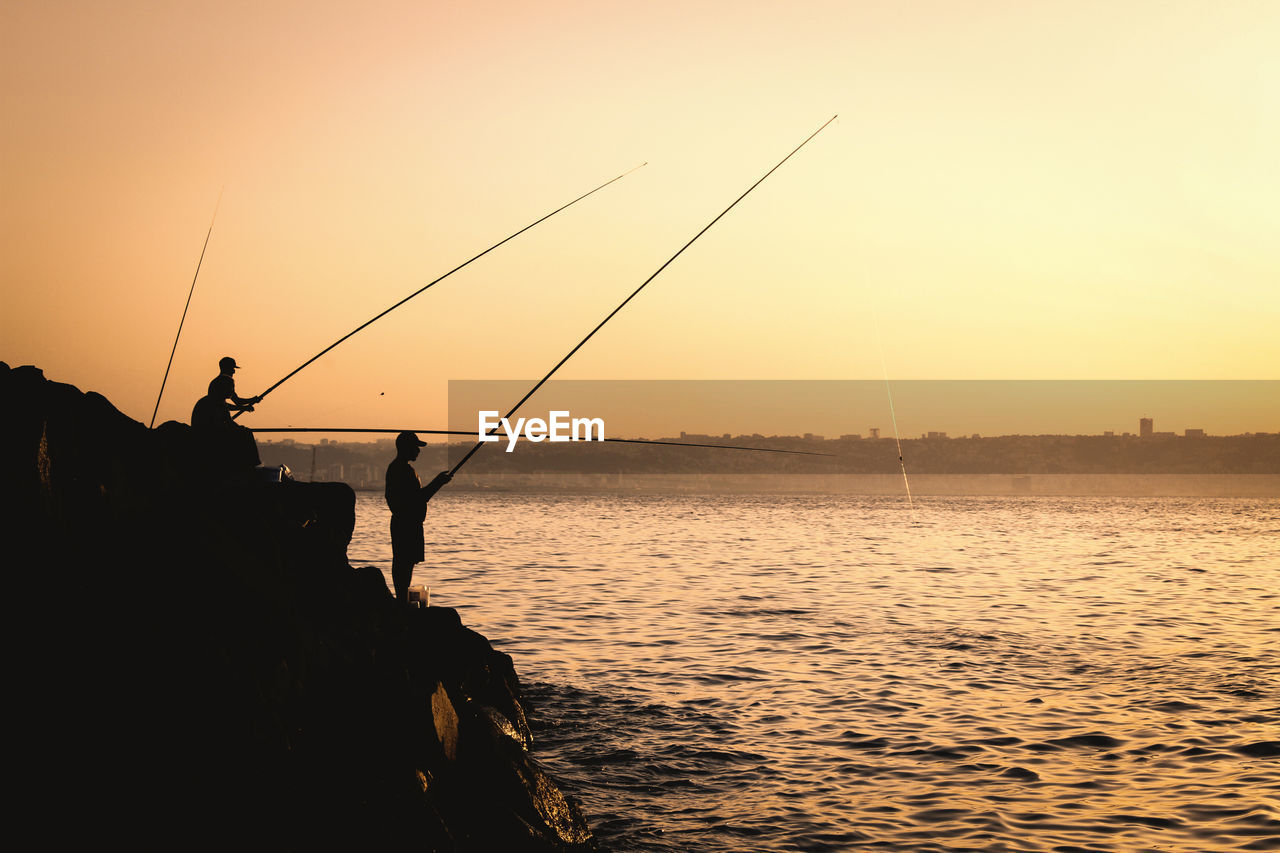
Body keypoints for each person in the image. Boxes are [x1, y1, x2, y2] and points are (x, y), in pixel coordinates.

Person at [385, 432, 451, 605]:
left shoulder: (399, 468)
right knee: (404, 563)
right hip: (406, 524)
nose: (418, 451)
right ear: (406, 448)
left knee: (406, 562)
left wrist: (438, 482)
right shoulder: (402, 470)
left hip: (407, 523)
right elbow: (418, 498)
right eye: (415, 447)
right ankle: (401, 600)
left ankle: (402, 598)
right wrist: (438, 482)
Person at [191, 374, 261, 469]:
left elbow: (229, 420)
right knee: (244, 434)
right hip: (208, 437)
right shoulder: (212, 403)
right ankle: (250, 465)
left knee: (244, 432)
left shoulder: (218, 401)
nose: (233, 390)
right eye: (232, 387)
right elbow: (221, 424)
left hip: (212, 434)